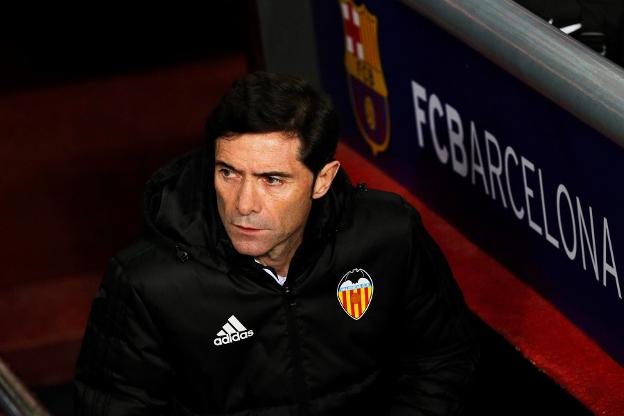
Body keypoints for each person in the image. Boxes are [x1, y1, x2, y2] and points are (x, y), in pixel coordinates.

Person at [74, 72, 478, 415]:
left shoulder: (388, 236)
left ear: (322, 179)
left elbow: (442, 361)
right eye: (229, 173)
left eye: (272, 180)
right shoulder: (150, 282)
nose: (243, 205)